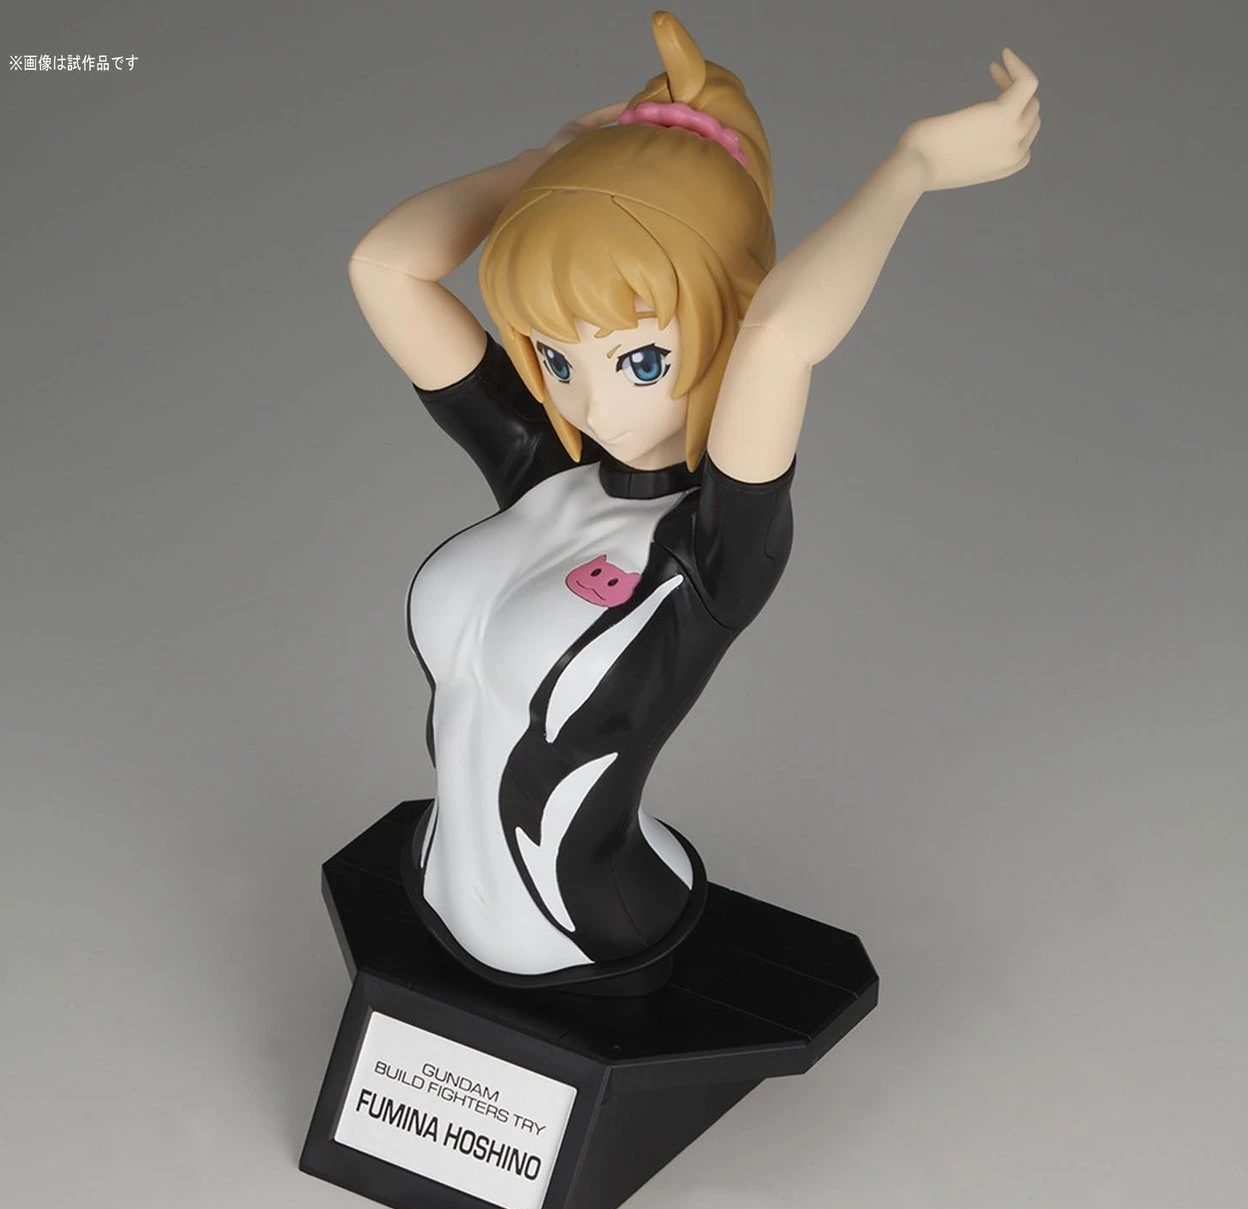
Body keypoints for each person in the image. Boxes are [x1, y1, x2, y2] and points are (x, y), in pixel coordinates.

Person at [346, 12, 1040, 991]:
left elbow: (782, 336)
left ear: (731, 318)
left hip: (589, 939)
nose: (592, 404)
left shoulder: (714, 546)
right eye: (557, 359)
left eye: (640, 360)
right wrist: (549, 163)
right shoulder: (543, 467)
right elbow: (385, 269)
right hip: (429, 887)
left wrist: (911, 166)